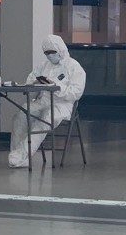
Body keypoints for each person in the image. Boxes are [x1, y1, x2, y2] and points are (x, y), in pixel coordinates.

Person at [7, 35, 86, 169]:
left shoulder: (74, 67)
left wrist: (56, 87)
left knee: (44, 120)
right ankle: (17, 154)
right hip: (42, 102)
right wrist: (34, 84)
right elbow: (30, 85)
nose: (49, 56)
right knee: (21, 115)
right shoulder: (43, 66)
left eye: (52, 52)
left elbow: (76, 92)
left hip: (61, 105)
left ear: (60, 50)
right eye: (46, 53)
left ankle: (21, 156)